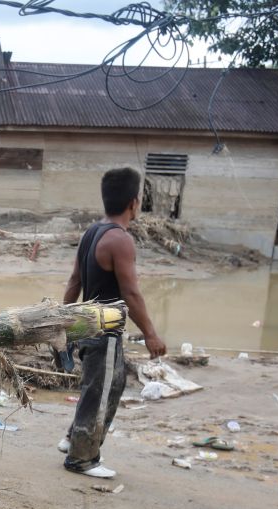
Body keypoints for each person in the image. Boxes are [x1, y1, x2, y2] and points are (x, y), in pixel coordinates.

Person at [59, 167, 166, 479]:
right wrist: (151, 334)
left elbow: (73, 282)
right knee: (102, 390)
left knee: (107, 385)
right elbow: (131, 293)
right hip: (104, 329)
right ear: (134, 203)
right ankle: (82, 459)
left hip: (86, 325)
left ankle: (71, 439)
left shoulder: (91, 232)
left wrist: (65, 325)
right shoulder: (120, 240)